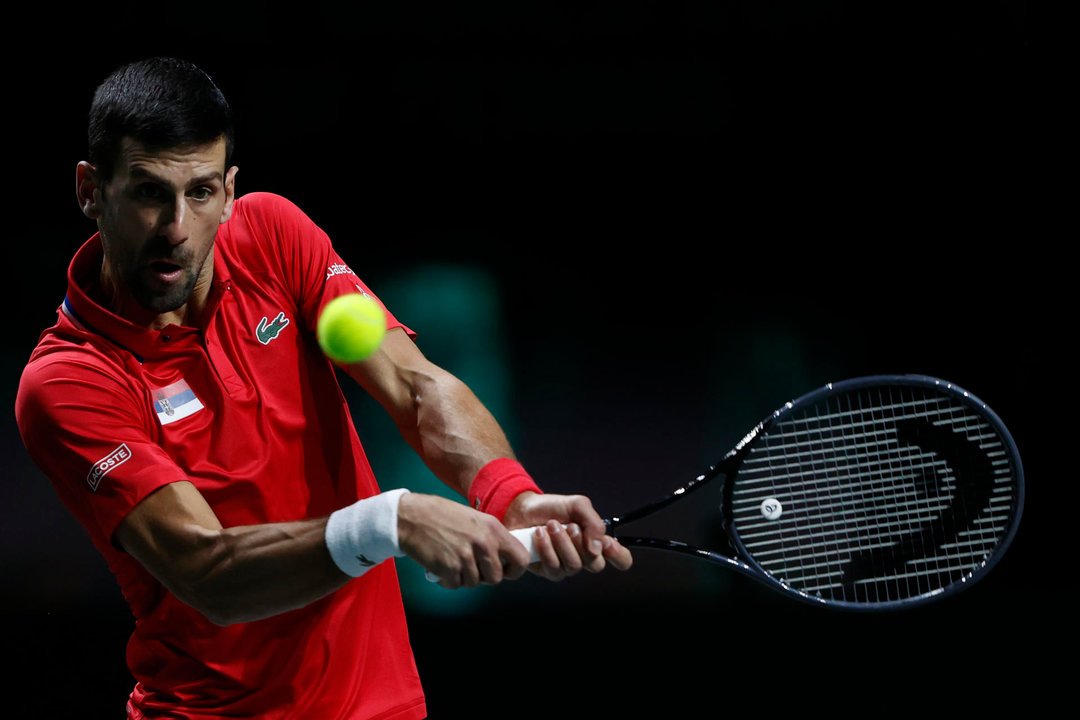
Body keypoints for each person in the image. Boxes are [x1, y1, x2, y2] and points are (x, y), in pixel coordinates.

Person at [14, 57, 632, 720]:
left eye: (199, 193)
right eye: (147, 192)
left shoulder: (272, 235)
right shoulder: (68, 381)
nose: (176, 228)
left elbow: (416, 386)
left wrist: (511, 493)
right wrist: (390, 520)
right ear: (89, 189)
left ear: (229, 191)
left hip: (381, 705)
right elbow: (208, 572)